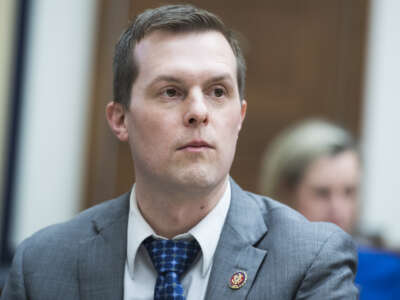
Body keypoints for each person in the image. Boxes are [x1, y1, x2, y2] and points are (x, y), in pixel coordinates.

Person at [1, 5, 358, 300]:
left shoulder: (310, 260)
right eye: (171, 92)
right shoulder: (42, 266)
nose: (199, 111)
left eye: (218, 91)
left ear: (239, 118)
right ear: (120, 119)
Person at [259, 119, 400, 299]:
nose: (338, 209)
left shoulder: (390, 274)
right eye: (322, 193)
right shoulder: (251, 266)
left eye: (349, 192)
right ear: (286, 193)